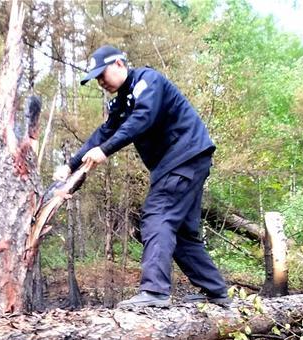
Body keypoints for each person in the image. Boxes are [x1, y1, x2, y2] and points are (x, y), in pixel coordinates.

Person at [53, 45, 229, 308]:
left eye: (103, 74)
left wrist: (105, 151)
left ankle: (155, 292)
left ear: (120, 65)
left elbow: (142, 119)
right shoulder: (121, 101)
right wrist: (71, 165)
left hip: (185, 155)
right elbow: (104, 133)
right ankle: (216, 293)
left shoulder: (148, 81)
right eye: (96, 78)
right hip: (184, 160)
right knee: (181, 231)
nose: (100, 81)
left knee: (157, 216)